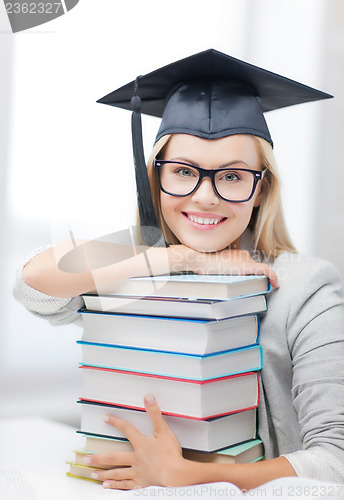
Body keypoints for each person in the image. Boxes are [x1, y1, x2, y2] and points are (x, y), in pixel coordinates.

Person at [13, 49, 344, 490]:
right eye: (184, 171)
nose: (205, 197)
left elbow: (337, 460)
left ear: (262, 189)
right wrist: (178, 258)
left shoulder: (308, 288)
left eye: (231, 176)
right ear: (156, 178)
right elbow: (34, 281)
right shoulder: (132, 263)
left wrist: (189, 477)